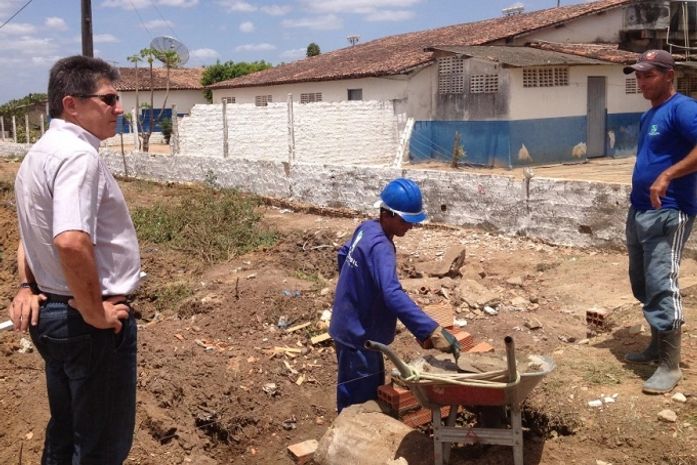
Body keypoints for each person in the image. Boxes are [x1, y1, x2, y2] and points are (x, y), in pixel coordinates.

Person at [7, 55, 141, 464]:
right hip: (85, 324)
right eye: (109, 99)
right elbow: (68, 241)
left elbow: (31, 234)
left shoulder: (40, 153)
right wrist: (95, 312)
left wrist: (27, 285)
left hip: (55, 317)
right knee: (100, 446)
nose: (119, 108)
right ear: (71, 104)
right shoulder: (78, 157)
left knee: (66, 433)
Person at [329, 178, 460, 412]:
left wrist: (356, 291)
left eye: (412, 221)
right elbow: (392, 293)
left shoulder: (367, 228)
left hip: (347, 326)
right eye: (405, 221)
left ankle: (346, 426)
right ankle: (350, 433)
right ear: (386, 214)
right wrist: (430, 330)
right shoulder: (382, 247)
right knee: (361, 405)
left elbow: (343, 253)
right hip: (359, 337)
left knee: (352, 389)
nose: (410, 227)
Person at [623, 49, 697, 394]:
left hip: (670, 210)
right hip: (640, 210)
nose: (641, 82)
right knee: (641, 281)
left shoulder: (683, 109)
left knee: (660, 281)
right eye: (638, 75)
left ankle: (670, 365)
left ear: (670, 75)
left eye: (648, 75)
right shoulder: (650, 114)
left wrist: (667, 175)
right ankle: (656, 344)